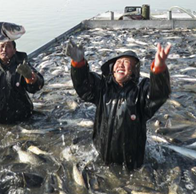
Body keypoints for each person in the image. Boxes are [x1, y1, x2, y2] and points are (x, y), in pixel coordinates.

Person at [65, 40, 171, 170]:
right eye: (118, 62)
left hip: (132, 164)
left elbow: (159, 94)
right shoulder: (102, 87)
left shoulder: (141, 91)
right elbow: (83, 85)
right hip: (102, 157)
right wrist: (78, 64)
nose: (121, 65)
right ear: (112, 68)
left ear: (133, 71)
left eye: (127, 63)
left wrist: (159, 70)